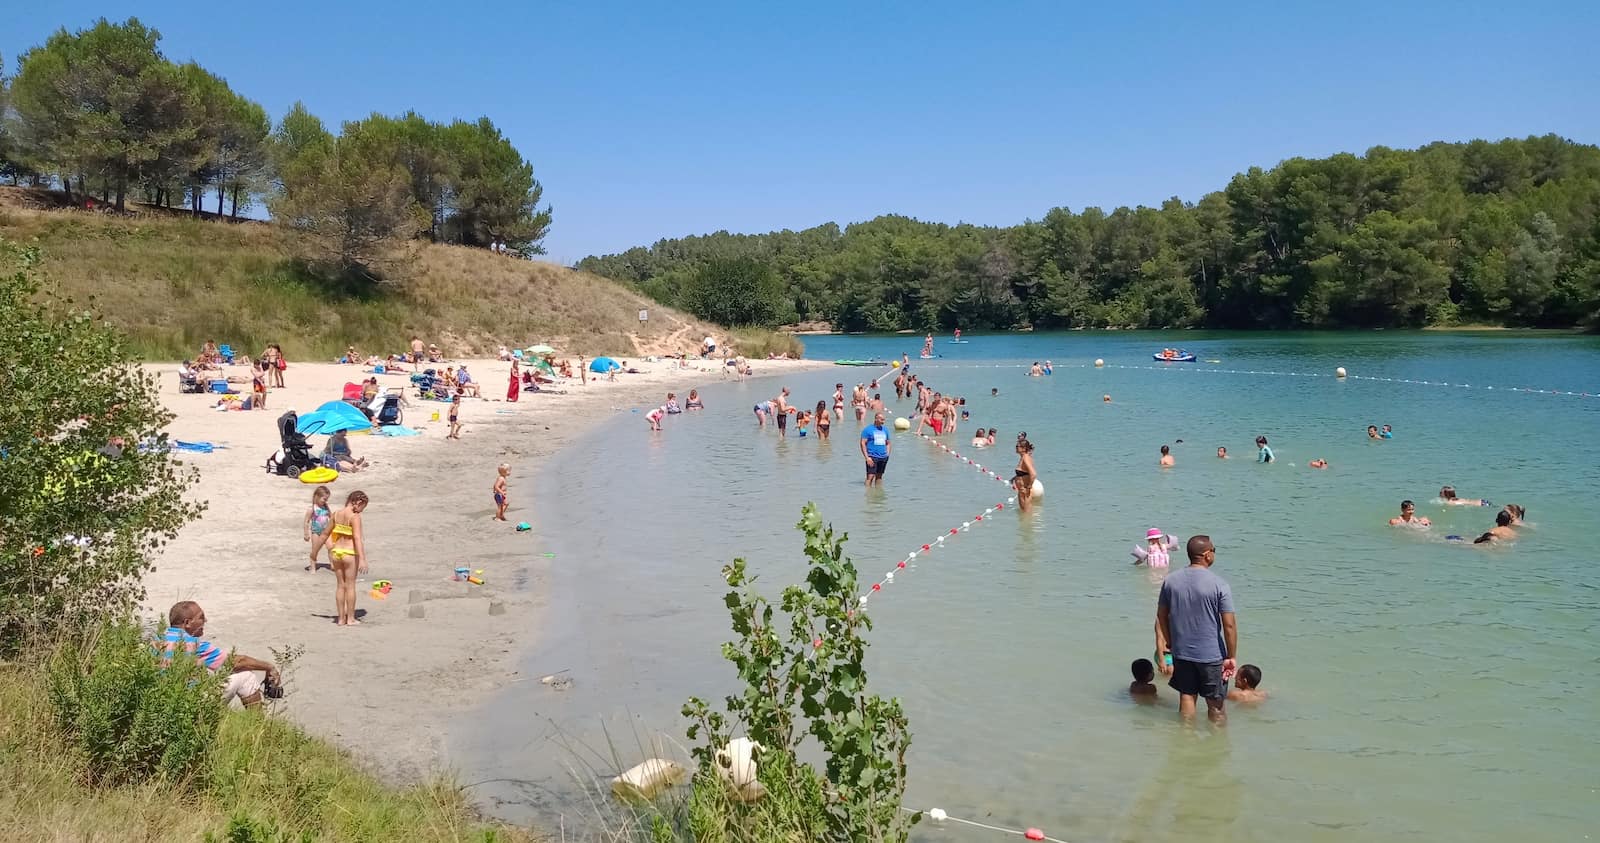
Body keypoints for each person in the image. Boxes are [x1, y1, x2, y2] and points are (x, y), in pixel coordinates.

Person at [1154, 535, 1237, 724]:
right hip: (1211, 655)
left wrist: (1171, 644)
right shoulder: (1219, 584)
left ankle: (1185, 741)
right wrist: (1231, 656)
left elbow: (1161, 616)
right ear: (1207, 555)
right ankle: (1217, 747)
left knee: (1187, 696)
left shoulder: (1171, 581)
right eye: (1214, 550)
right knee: (1215, 704)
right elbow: (1229, 625)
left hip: (1182, 652)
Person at [159, 601, 281, 708]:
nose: (205, 621)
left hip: (162, 700)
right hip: (190, 703)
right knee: (246, 676)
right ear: (187, 623)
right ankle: (257, 724)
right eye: (201, 617)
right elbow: (237, 662)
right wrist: (269, 667)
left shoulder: (157, 640)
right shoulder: (194, 644)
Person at [327, 491, 370, 626]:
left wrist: (315, 553)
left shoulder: (336, 514)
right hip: (349, 553)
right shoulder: (354, 517)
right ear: (358, 503)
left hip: (337, 552)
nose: (361, 511)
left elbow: (325, 534)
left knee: (340, 586)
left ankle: (340, 619)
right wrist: (362, 559)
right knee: (350, 587)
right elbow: (357, 538)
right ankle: (350, 618)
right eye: (363, 507)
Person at [303, 485, 332, 571]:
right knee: (315, 549)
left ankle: (333, 565)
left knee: (331, 547)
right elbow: (306, 521)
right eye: (324, 499)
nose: (326, 501)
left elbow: (331, 517)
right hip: (316, 532)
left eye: (327, 499)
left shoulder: (326, 507)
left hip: (326, 531)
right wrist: (306, 533)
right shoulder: (312, 509)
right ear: (317, 497)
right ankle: (313, 566)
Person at [861, 411, 891, 488]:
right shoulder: (868, 430)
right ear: (876, 419)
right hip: (872, 457)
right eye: (881, 420)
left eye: (884, 420)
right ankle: (868, 494)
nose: (883, 422)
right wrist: (867, 457)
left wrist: (887, 454)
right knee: (870, 477)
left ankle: (878, 494)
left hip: (883, 457)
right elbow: (862, 443)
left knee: (879, 477)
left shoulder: (885, 430)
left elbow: (888, 443)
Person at [1012, 435, 1037, 512]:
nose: (1016, 448)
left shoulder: (1025, 457)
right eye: (1016, 446)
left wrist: (1029, 487)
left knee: (1027, 514)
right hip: (1021, 491)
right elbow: (1023, 473)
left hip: (1025, 491)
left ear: (1024, 448)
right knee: (1023, 514)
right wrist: (1014, 478)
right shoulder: (1023, 457)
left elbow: (1033, 474)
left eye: (1017, 446)